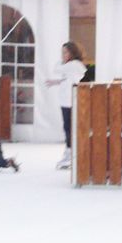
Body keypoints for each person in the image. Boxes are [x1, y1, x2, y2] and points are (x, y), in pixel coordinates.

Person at [45, 41, 87, 169]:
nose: (62, 55)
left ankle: (71, 153)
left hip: (70, 101)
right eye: (62, 52)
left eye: (65, 52)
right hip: (66, 100)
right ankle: (69, 151)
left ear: (72, 53)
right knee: (68, 127)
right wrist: (56, 82)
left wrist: (61, 64)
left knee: (69, 128)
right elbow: (68, 79)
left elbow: (57, 68)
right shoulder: (72, 66)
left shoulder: (74, 65)